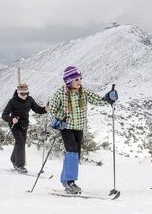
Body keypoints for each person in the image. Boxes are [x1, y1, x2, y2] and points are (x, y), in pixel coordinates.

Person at [49, 66, 117, 194]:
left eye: (80, 78)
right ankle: (70, 182)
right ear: (69, 81)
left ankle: (66, 179)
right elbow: (52, 109)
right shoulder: (60, 93)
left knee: (75, 155)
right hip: (66, 126)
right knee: (72, 152)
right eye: (76, 79)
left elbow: (97, 100)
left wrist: (109, 98)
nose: (79, 81)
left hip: (79, 127)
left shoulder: (83, 92)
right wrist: (56, 122)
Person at [2, 83, 49, 173]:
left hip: (24, 125)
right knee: (21, 143)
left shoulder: (30, 100)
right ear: (18, 93)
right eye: (22, 94)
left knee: (19, 143)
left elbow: (37, 109)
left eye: (26, 93)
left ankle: (13, 160)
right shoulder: (12, 101)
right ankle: (20, 166)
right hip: (14, 125)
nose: (24, 95)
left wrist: (45, 109)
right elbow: (4, 115)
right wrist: (12, 119)